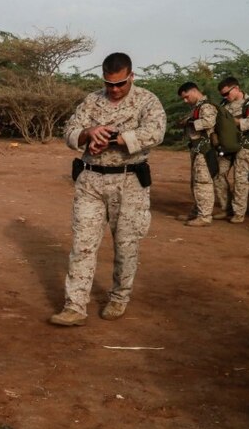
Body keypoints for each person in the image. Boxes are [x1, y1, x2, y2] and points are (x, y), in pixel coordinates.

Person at [48, 53, 166, 326]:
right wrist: (89, 133)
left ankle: (119, 297)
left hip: (130, 183)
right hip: (91, 181)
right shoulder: (92, 100)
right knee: (82, 246)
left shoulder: (147, 101)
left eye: (120, 84)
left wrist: (115, 138)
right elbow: (69, 133)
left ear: (131, 77)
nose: (114, 90)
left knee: (126, 246)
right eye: (109, 84)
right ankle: (75, 306)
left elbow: (156, 132)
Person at [176, 81, 226, 226]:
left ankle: (204, 217)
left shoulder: (206, 106)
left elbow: (208, 122)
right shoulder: (196, 107)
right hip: (197, 149)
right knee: (195, 183)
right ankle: (196, 212)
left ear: (193, 91)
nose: (185, 101)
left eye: (186, 97)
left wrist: (189, 123)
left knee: (203, 183)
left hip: (205, 149)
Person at [217, 76, 249, 223]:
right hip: (227, 144)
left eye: (227, 93)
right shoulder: (224, 104)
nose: (225, 97)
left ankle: (239, 212)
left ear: (236, 88)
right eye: (222, 95)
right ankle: (226, 208)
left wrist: (231, 121)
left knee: (240, 178)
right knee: (218, 174)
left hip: (245, 144)